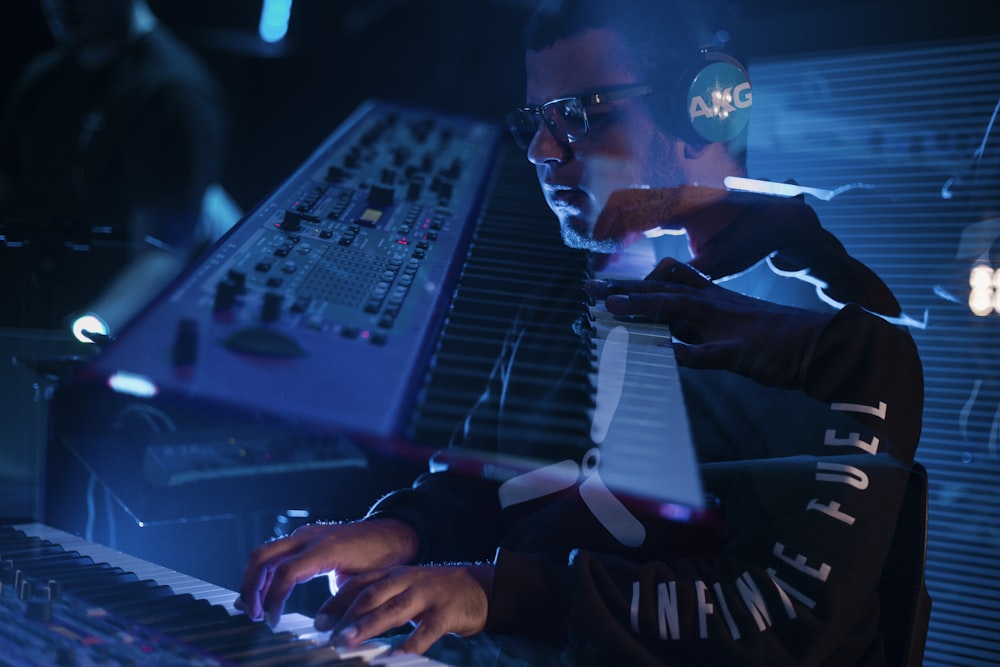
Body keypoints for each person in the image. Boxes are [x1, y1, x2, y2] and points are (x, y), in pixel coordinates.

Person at [236, 1, 924, 665]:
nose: (541, 149)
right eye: (534, 119)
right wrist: (399, 532)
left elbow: (777, 618)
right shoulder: (577, 294)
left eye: (580, 115)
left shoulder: (829, 323)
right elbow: (483, 486)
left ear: (702, 110)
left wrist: (498, 592)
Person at [0, 0, 228, 336]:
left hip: (91, 326)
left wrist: (88, 329)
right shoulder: (43, 77)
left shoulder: (172, 94)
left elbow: (162, 253)